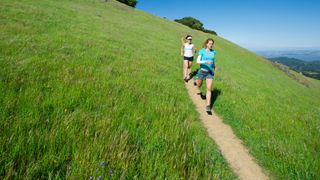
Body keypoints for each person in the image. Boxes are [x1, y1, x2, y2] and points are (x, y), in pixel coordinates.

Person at [196, 38, 217, 113]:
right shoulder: (202, 51)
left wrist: (214, 66)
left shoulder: (213, 52)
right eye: (210, 43)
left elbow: (212, 60)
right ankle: (197, 82)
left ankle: (208, 106)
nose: (211, 45)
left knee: (209, 88)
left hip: (209, 72)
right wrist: (205, 61)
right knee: (199, 85)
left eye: (212, 44)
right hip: (202, 71)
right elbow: (197, 61)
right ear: (206, 44)